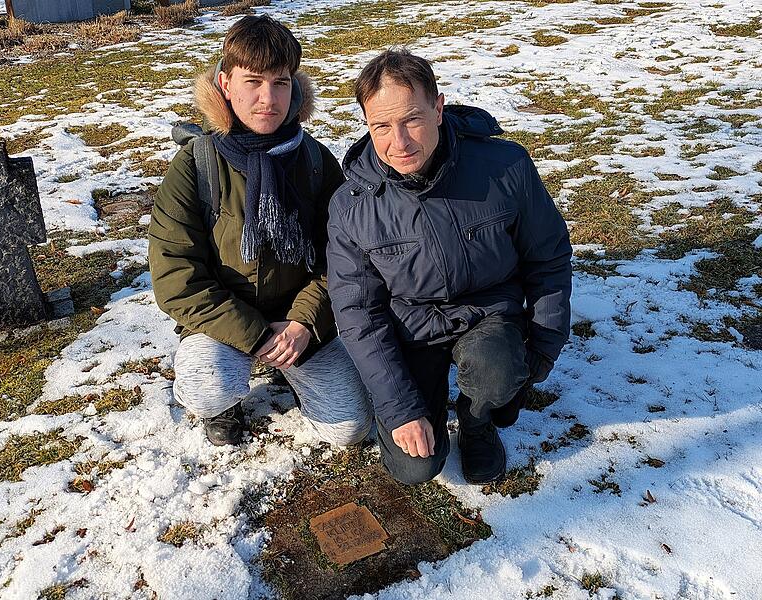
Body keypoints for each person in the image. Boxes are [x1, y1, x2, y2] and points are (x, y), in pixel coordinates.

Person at [327, 49, 572, 485]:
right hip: (412, 329)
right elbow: (358, 315)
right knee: (414, 467)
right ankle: (431, 404)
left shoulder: (505, 167)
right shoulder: (352, 207)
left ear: (438, 108)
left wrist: (542, 349)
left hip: (489, 314)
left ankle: (477, 422)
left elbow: (548, 257)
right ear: (366, 123)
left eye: (412, 120)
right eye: (381, 126)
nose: (398, 142)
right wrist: (402, 409)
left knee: (498, 370)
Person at [149, 15, 372, 447]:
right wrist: (254, 334)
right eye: (253, 81)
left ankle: (290, 369)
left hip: (297, 323)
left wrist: (304, 323)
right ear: (226, 83)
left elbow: (346, 260)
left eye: (281, 82)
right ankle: (223, 406)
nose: (267, 98)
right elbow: (177, 280)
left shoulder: (313, 161)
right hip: (224, 324)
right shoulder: (196, 166)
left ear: (296, 86)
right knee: (205, 383)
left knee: (349, 428)